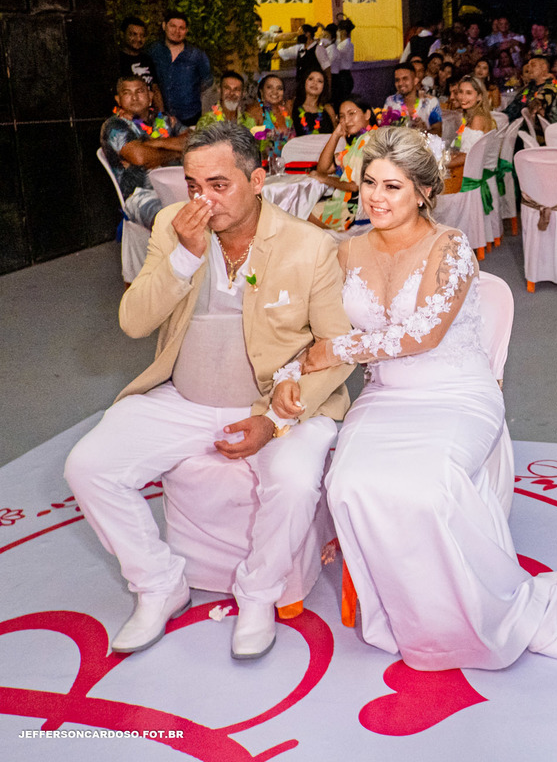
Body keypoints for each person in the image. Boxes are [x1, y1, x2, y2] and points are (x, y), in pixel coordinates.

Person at [273, 126, 557, 690]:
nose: (376, 196)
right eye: (369, 182)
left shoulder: (450, 247)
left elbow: (422, 334)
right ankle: (403, 611)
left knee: (424, 488)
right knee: (349, 485)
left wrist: (332, 350)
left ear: (422, 191)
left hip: (456, 393)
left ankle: (467, 618)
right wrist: (294, 367)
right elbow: (311, 324)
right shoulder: (346, 249)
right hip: (388, 396)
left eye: (392, 186)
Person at [65, 121, 354, 660]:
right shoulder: (176, 225)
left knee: (292, 479)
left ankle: (259, 594)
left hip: (275, 402)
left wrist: (274, 419)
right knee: (89, 465)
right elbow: (133, 322)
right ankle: (158, 584)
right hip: (184, 396)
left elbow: (336, 347)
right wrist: (185, 256)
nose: (203, 199)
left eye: (219, 185)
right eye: (194, 185)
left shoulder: (309, 245)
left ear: (258, 179)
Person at [101, 76, 189, 229]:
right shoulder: (115, 126)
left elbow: (193, 139)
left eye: (140, 91)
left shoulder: (165, 119)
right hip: (141, 196)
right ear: (118, 99)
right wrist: (177, 152)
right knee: (172, 221)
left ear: (150, 96)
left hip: (178, 187)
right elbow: (140, 157)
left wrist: (157, 143)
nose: (134, 97)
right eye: (127, 93)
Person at [309, 96, 376, 233]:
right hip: (351, 206)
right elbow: (324, 168)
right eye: (342, 116)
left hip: (352, 211)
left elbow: (354, 186)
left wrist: (325, 179)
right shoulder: (357, 143)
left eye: (352, 114)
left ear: (367, 114)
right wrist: (336, 134)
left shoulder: (367, 140)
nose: (346, 121)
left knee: (301, 214)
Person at [146, 10, 212, 126]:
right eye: (173, 26)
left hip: (190, 116)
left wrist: (189, 95)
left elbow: (207, 81)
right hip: (161, 116)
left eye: (181, 28)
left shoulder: (197, 55)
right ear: (164, 26)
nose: (177, 31)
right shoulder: (154, 51)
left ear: (186, 31)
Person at [383, 63, 442, 136]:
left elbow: (438, 132)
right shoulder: (391, 101)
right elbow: (384, 129)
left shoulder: (431, 102)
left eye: (405, 78)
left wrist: (423, 131)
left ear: (415, 81)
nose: (400, 83)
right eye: (397, 80)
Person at [118, 17, 163, 113]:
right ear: (123, 35)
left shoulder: (147, 59)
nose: (138, 39)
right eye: (133, 34)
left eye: (142, 35)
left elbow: (155, 88)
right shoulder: (116, 60)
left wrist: (161, 114)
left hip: (147, 116)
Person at [247, 73, 295, 164]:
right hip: (265, 168)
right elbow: (248, 145)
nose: (275, 92)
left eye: (279, 88)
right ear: (261, 91)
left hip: (287, 166)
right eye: (269, 87)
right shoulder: (256, 112)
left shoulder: (287, 112)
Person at [501, 55, 557, 122]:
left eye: (533, 65)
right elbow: (514, 107)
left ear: (544, 67)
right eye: (528, 66)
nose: (529, 69)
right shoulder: (528, 89)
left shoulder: (553, 86)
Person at [449, 75, 497, 155]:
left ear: (479, 97)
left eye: (469, 93)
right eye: (460, 92)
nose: (463, 97)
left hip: (473, 166)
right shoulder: (467, 116)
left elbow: (468, 156)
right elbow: (458, 144)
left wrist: (443, 164)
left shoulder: (478, 119)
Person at [294, 69, 337, 136]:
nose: (315, 83)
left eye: (319, 81)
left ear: (324, 86)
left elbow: (336, 134)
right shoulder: (292, 106)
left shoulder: (328, 109)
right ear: (304, 82)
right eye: (311, 79)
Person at [330, 18, 356, 106]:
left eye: (339, 31)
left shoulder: (345, 45)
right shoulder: (345, 44)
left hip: (343, 77)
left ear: (343, 32)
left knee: (341, 102)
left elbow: (334, 52)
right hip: (344, 76)